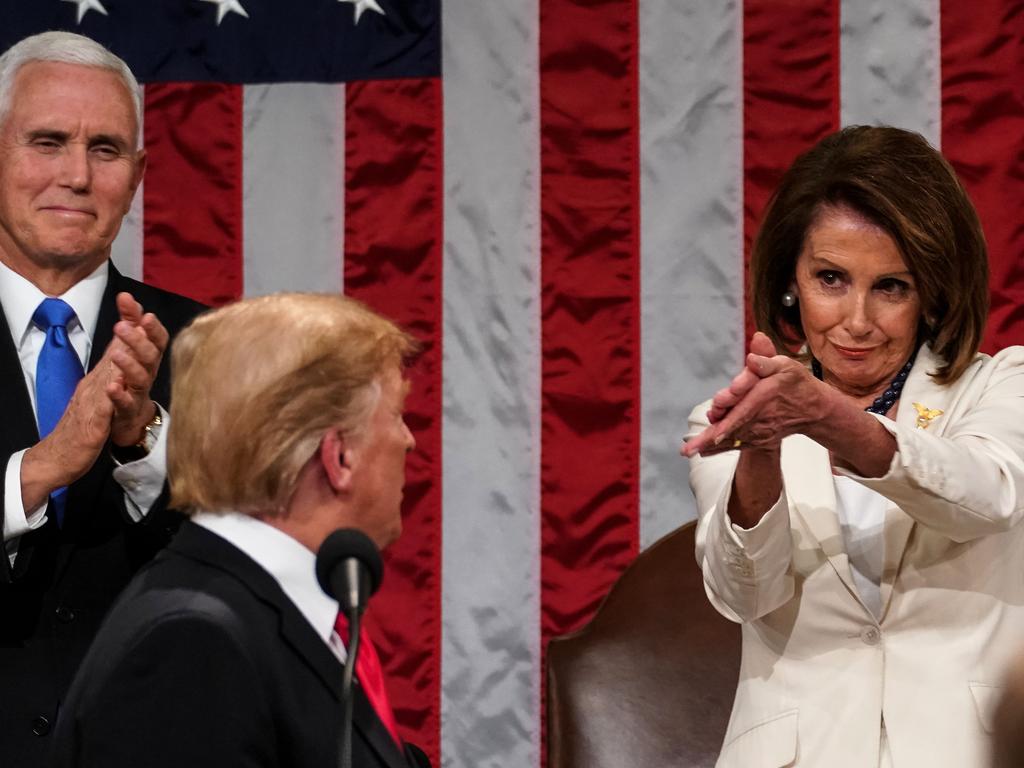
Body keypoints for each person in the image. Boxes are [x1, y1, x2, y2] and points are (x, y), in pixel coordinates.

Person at [682, 125, 1024, 767]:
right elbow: (743, 595)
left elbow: (986, 497)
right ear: (792, 282)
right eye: (831, 279)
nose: (858, 320)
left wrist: (833, 421)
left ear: (932, 292)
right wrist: (762, 450)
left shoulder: (1001, 386)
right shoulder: (729, 415)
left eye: (891, 286)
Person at [51, 292, 432, 768]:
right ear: (339, 457)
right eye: (396, 416)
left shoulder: (257, 611)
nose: (409, 441)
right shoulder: (194, 647)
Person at [0, 31, 205, 765]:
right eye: (48, 141)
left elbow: (247, 573)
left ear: (139, 174)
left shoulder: (213, 345)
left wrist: (143, 440)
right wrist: (41, 468)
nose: (77, 176)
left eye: (107, 149)